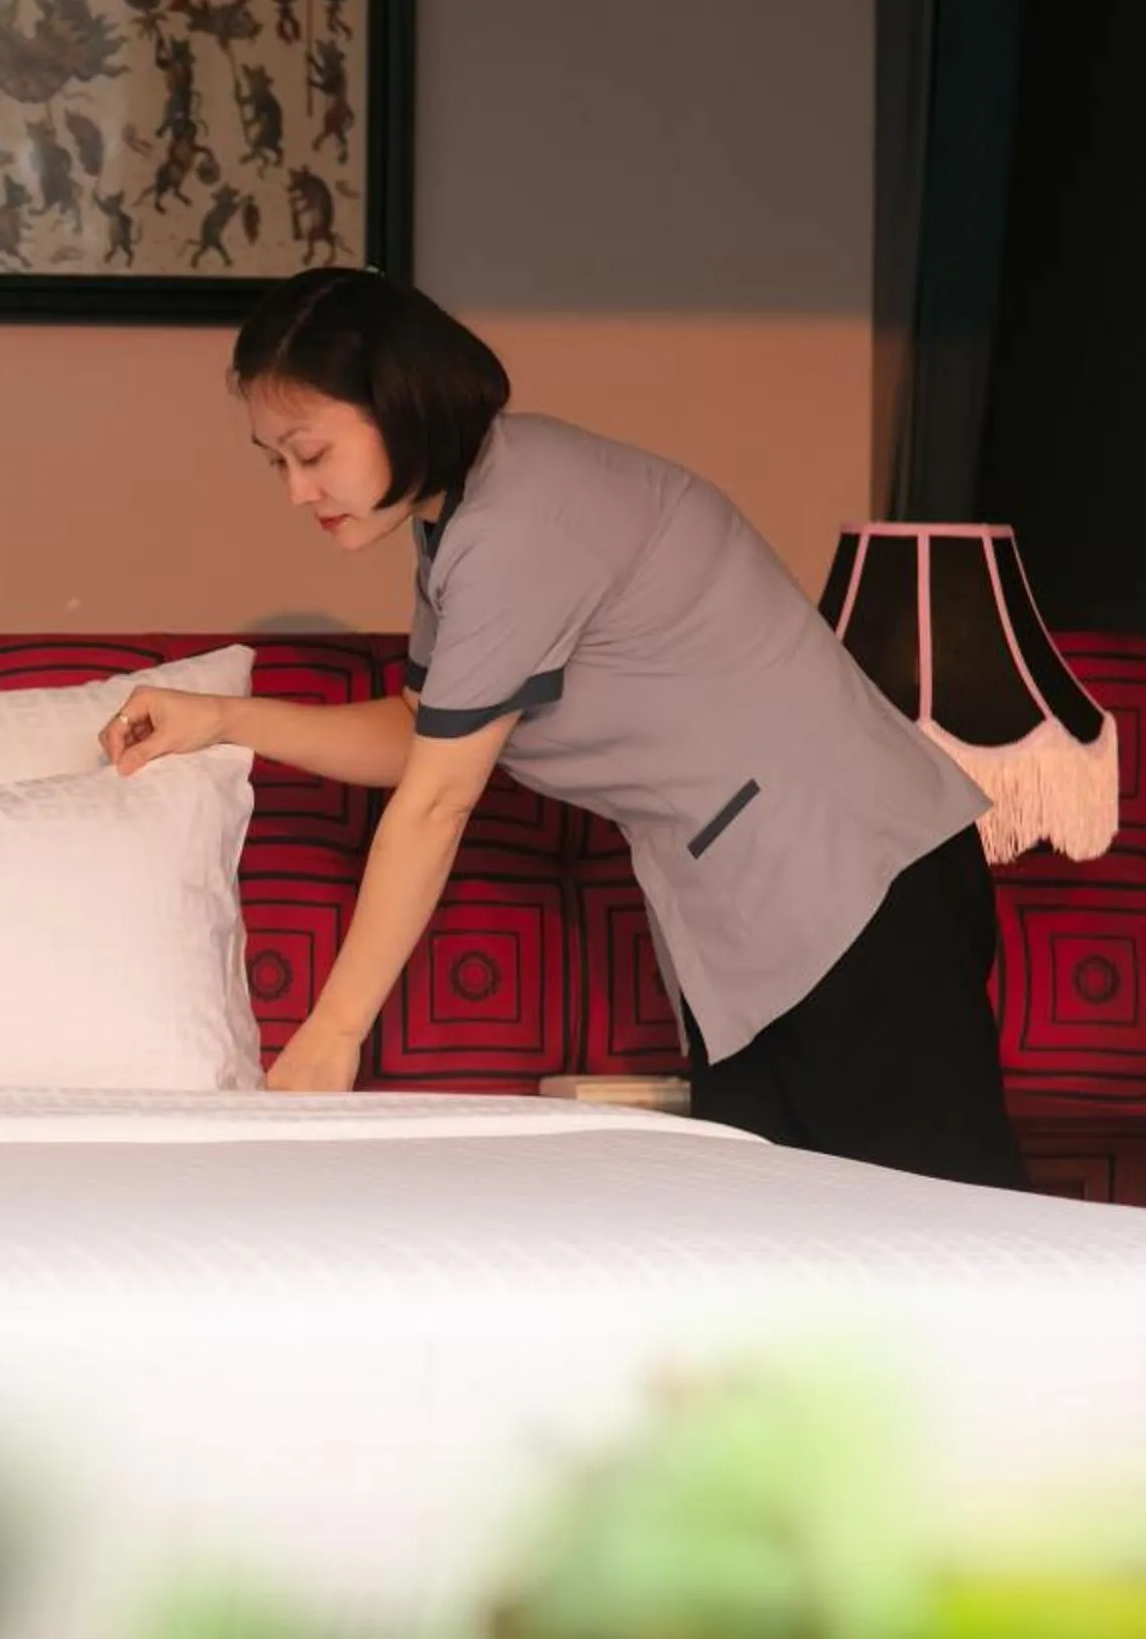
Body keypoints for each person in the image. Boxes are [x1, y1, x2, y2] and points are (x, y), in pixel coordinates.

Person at [102, 268, 1023, 1191]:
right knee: (788, 1256)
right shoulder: (462, 516)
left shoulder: (518, 522)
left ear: (403, 406)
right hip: (765, 913)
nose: (298, 492)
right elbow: (424, 737)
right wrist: (221, 720)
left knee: (947, 1245)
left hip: (856, 887)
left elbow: (435, 804)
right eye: (277, 462)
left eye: (311, 453)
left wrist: (332, 1036)